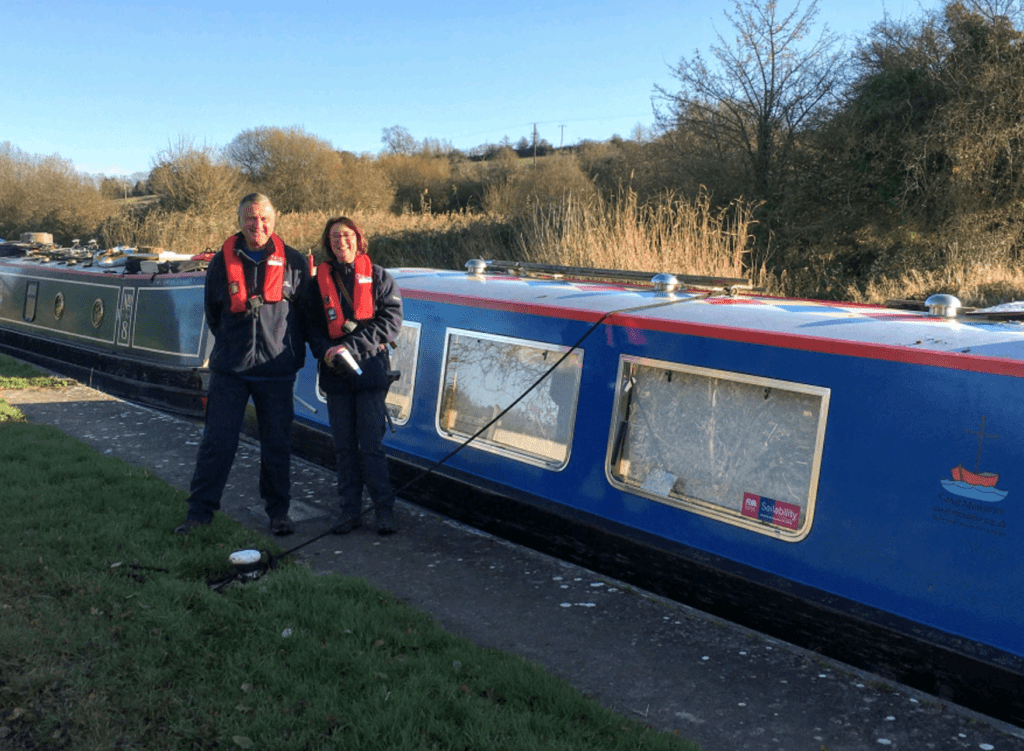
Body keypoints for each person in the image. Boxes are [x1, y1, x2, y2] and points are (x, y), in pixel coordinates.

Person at [174, 194, 311, 536]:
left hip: (276, 371)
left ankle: (279, 512)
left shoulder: (294, 262)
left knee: (277, 444)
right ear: (240, 220)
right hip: (231, 370)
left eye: (264, 219)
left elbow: (305, 317)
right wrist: (233, 347)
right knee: (217, 442)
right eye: (251, 219)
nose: (258, 225)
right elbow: (213, 313)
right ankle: (199, 514)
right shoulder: (221, 263)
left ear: (274, 220)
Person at [304, 216, 403, 535]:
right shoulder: (317, 283)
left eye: (347, 235)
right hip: (336, 378)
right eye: (334, 237)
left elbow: (391, 323)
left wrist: (349, 346)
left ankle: (383, 510)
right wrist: (326, 350)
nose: (341, 241)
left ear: (359, 239)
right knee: (344, 448)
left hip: (370, 374)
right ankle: (349, 511)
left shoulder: (379, 278)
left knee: (371, 446)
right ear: (327, 243)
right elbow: (310, 326)